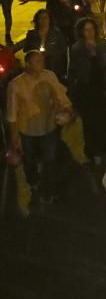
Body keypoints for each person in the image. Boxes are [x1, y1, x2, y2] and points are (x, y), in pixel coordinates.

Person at [5, 49, 73, 203]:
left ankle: (49, 188)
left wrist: (67, 111)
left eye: (42, 60)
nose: (41, 63)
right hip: (27, 130)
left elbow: (61, 96)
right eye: (37, 61)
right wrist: (14, 137)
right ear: (28, 64)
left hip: (48, 127)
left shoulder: (49, 76)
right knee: (29, 160)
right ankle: (33, 182)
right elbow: (12, 113)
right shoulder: (16, 85)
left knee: (49, 159)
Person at [68, 17, 106, 163]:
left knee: (102, 119)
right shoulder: (77, 48)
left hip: (101, 86)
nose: (90, 32)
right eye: (86, 30)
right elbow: (74, 71)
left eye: (91, 29)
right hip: (86, 88)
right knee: (89, 121)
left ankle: (103, 146)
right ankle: (91, 150)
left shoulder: (102, 44)